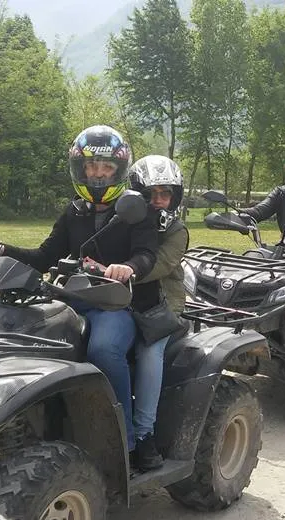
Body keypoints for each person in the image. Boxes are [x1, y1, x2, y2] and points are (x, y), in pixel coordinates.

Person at [0, 125, 159, 453]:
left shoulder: (136, 210)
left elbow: (146, 254)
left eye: (106, 167)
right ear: (80, 169)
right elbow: (44, 257)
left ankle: (125, 441)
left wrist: (128, 267)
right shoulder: (74, 211)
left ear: (119, 170)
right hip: (72, 299)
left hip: (115, 305)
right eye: (91, 166)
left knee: (104, 350)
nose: (97, 174)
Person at [127, 155, 189, 471]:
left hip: (162, 304)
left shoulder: (177, 230)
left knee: (149, 352)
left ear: (175, 197)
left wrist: (118, 271)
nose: (157, 201)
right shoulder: (124, 221)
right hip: (121, 298)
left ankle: (143, 433)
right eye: (150, 194)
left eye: (165, 194)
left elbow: (160, 265)